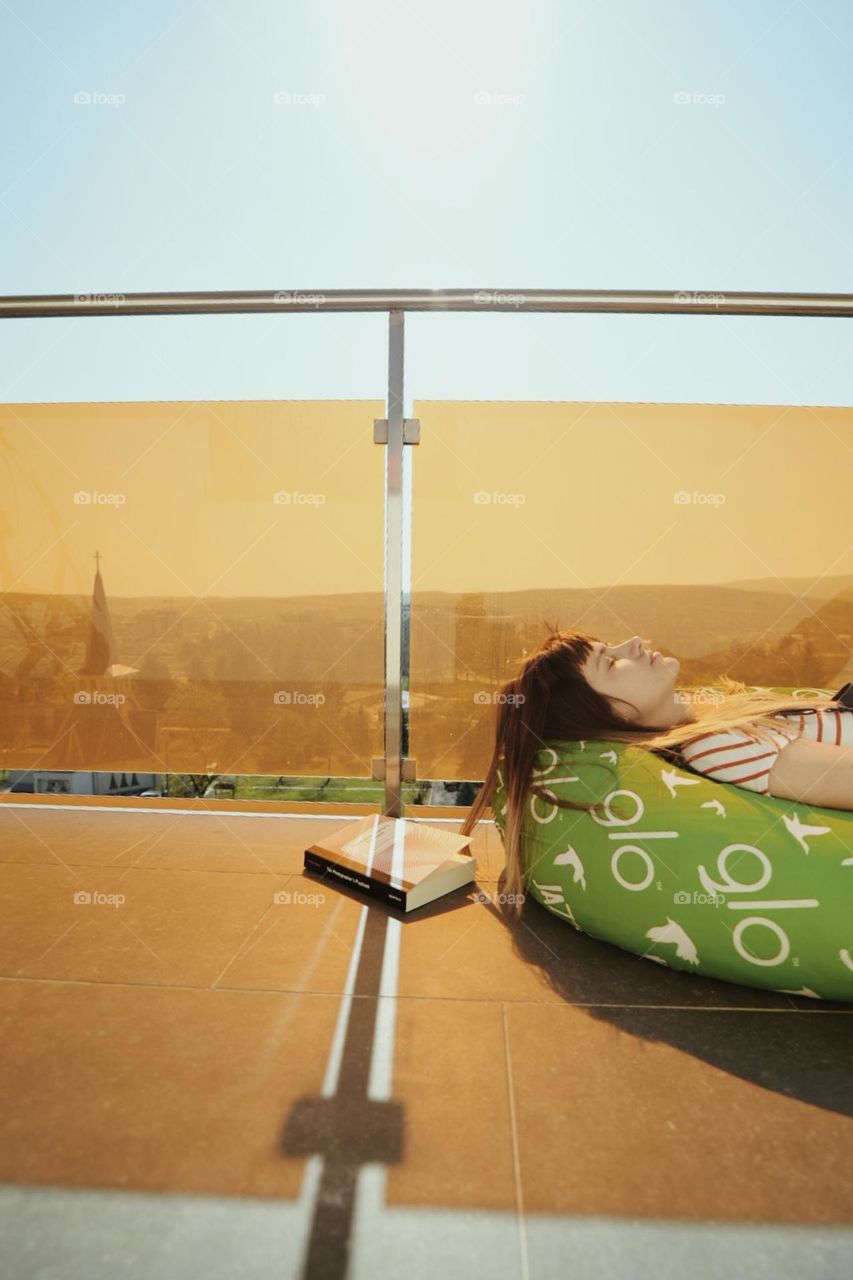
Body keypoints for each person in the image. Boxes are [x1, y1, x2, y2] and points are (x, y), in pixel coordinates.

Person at [459, 624, 853, 920]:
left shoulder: (717, 710)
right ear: (608, 713)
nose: (632, 642)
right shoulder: (712, 747)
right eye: (611, 662)